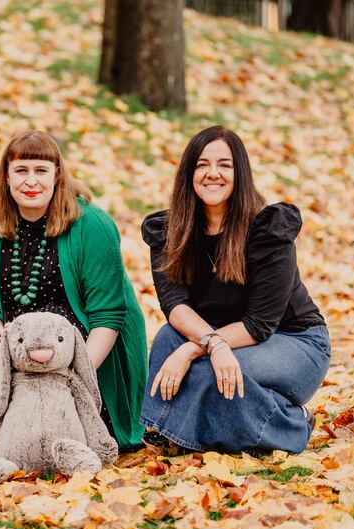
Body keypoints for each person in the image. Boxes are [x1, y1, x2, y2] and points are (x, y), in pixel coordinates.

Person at [0, 130, 147, 455]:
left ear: (57, 175)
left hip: (82, 344)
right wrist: (11, 354)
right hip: (13, 341)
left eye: (41, 170)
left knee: (63, 401)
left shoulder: (91, 225)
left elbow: (108, 317)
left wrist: (74, 371)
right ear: (6, 177)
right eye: (21, 170)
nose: (32, 181)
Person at [140, 125, 330, 454]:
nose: (213, 174)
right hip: (221, 340)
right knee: (168, 338)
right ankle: (180, 428)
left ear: (239, 173)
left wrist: (198, 348)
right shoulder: (171, 232)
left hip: (293, 343)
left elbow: (261, 323)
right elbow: (174, 306)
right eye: (202, 165)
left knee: (201, 369)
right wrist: (210, 342)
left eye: (224, 165)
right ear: (189, 174)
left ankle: (289, 422)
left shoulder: (268, 229)